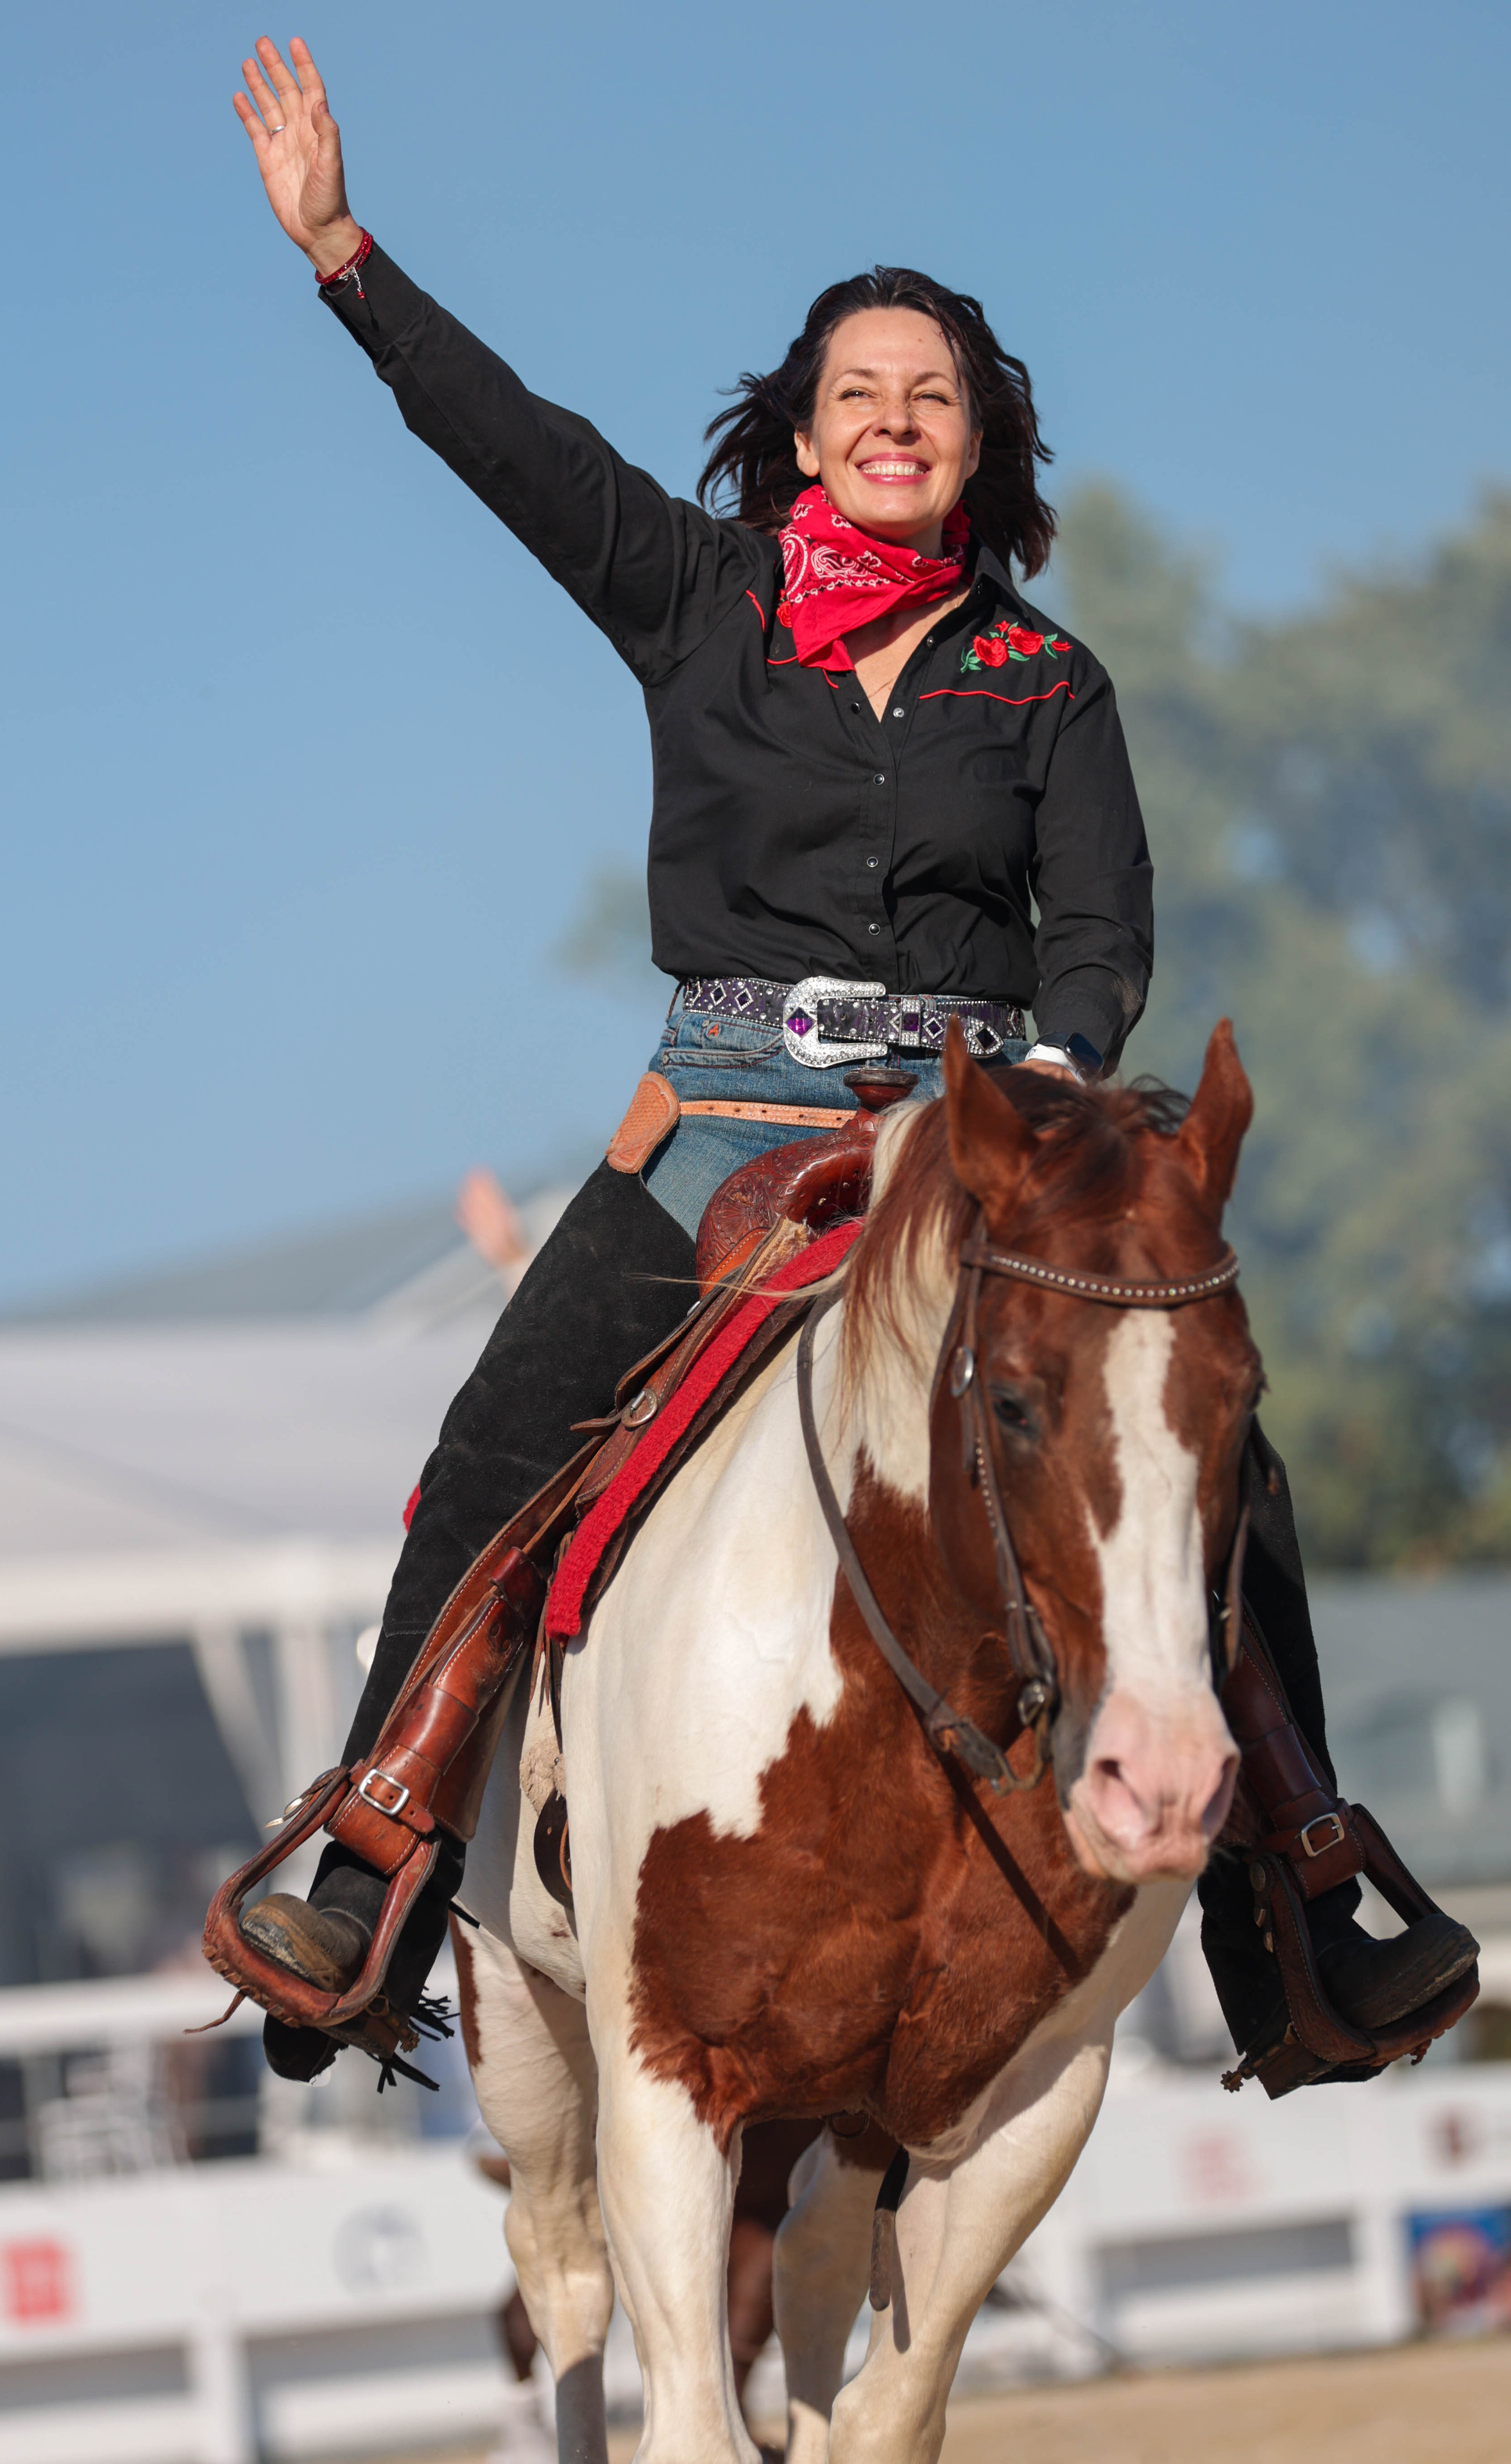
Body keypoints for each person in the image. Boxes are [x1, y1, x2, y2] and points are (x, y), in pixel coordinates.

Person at [227, 37, 1476, 2093]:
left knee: (1220, 1458)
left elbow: (1105, 938)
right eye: (858, 399)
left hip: (983, 1148)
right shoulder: (694, 602)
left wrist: (1040, 1107)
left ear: (979, 448)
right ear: (802, 442)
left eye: (933, 400)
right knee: (491, 1446)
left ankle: (1304, 1902)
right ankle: (368, 1856)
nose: (894, 425)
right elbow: (513, 444)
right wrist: (345, 253)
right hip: (721, 1125)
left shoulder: (1050, 684)